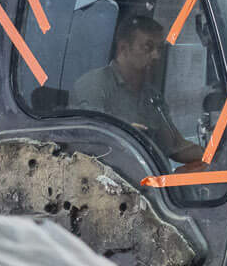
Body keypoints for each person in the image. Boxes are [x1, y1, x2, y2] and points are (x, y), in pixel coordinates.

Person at [68, 15, 205, 163]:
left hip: (151, 180)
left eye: (159, 49)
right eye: (148, 47)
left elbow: (176, 146)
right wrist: (126, 135)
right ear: (123, 48)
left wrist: (215, 156)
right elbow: (88, 142)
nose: (156, 56)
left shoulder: (152, 97)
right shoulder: (94, 85)